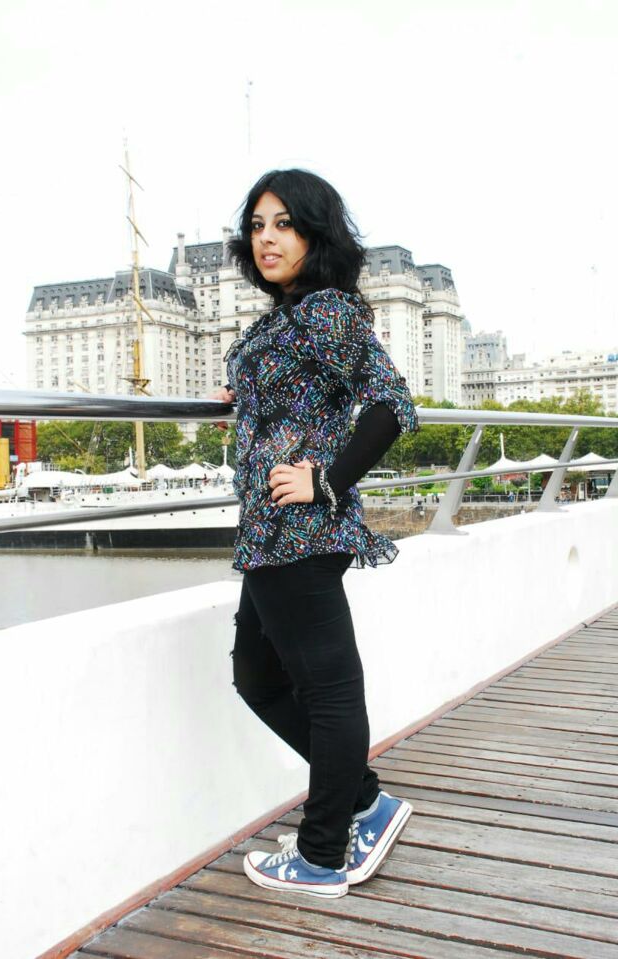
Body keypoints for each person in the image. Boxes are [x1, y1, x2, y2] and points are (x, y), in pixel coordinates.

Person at [212, 169, 419, 900]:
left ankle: (324, 853)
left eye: (284, 224)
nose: (266, 238)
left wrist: (326, 480)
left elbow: (391, 405)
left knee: (328, 690)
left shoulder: (326, 309)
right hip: (270, 534)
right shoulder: (289, 316)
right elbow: (296, 393)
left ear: (316, 233)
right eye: (257, 225)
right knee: (258, 676)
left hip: (299, 530)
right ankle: (363, 800)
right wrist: (242, 392)